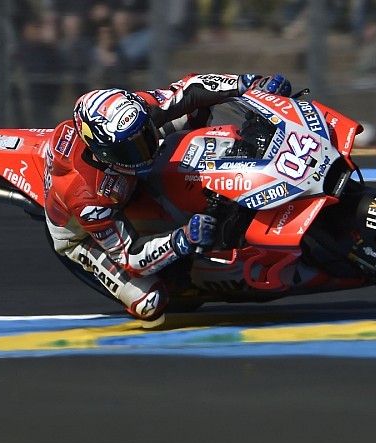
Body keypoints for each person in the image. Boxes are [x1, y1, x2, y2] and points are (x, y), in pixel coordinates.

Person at [44, 73, 292, 327]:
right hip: (83, 236)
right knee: (149, 303)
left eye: (144, 136)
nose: (146, 151)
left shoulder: (136, 112)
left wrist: (250, 85)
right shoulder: (88, 198)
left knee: (196, 109)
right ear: (103, 152)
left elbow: (189, 89)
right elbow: (130, 257)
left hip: (126, 182)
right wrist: (182, 238)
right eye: (131, 149)